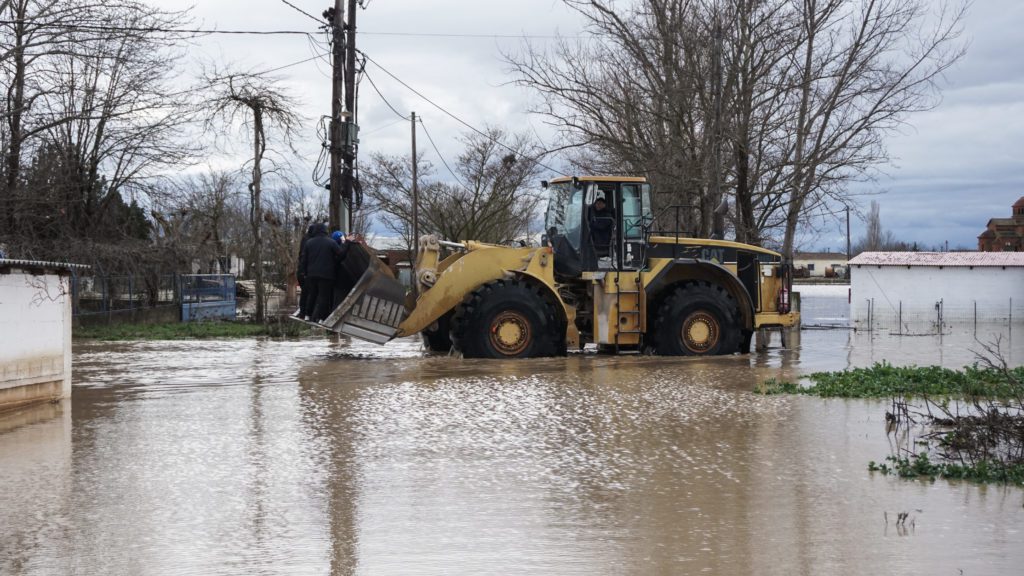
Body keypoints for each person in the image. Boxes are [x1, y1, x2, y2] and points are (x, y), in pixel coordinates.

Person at [299, 224, 350, 322]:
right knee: (323, 296)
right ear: (325, 231)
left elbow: (304, 260)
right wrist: (347, 244)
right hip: (326, 275)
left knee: (312, 295)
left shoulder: (309, 243)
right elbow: (341, 254)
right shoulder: (330, 242)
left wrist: (305, 273)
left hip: (311, 274)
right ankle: (321, 318)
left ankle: (307, 315)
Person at [295, 224, 317, 317]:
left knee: (305, 293)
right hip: (307, 271)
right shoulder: (310, 241)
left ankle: (303, 312)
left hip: (302, 271)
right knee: (309, 293)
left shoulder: (305, 239)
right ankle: (307, 313)